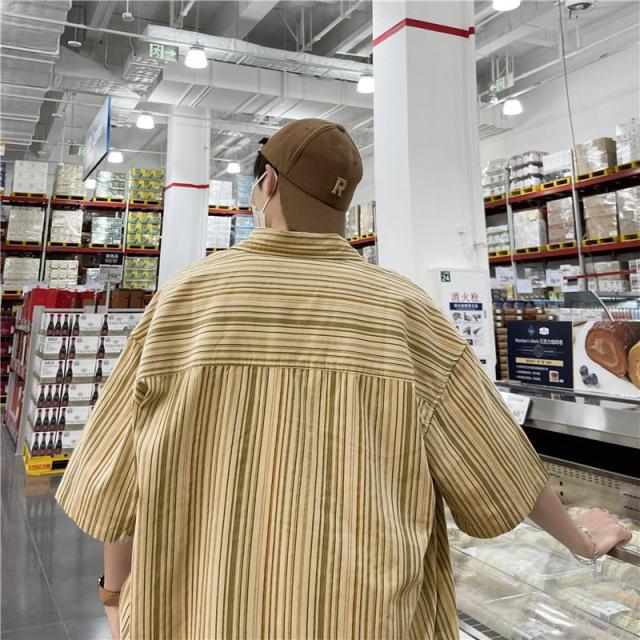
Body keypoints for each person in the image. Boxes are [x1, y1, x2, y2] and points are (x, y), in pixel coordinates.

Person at [56, 119, 630, 640]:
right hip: (364, 618)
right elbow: (499, 466)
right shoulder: (406, 311)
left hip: (195, 614)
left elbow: (116, 481)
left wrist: (115, 594)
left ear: (268, 186)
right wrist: (581, 541)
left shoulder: (183, 300)